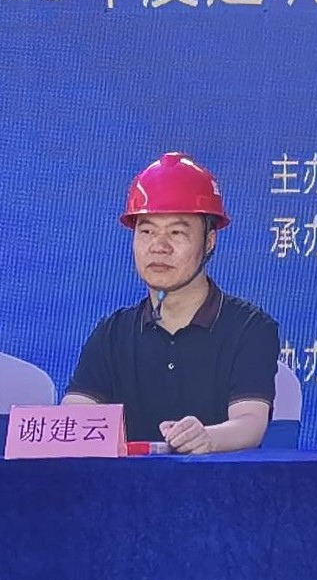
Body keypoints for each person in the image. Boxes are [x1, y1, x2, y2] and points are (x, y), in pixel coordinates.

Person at [65, 152, 281, 453]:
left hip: (219, 480)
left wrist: (208, 438)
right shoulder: (112, 333)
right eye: (147, 231)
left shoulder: (249, 328)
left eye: (177, 232)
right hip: (126, 482)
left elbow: (249, 423)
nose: (159, 246)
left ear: (209, 241)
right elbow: (74, 415)